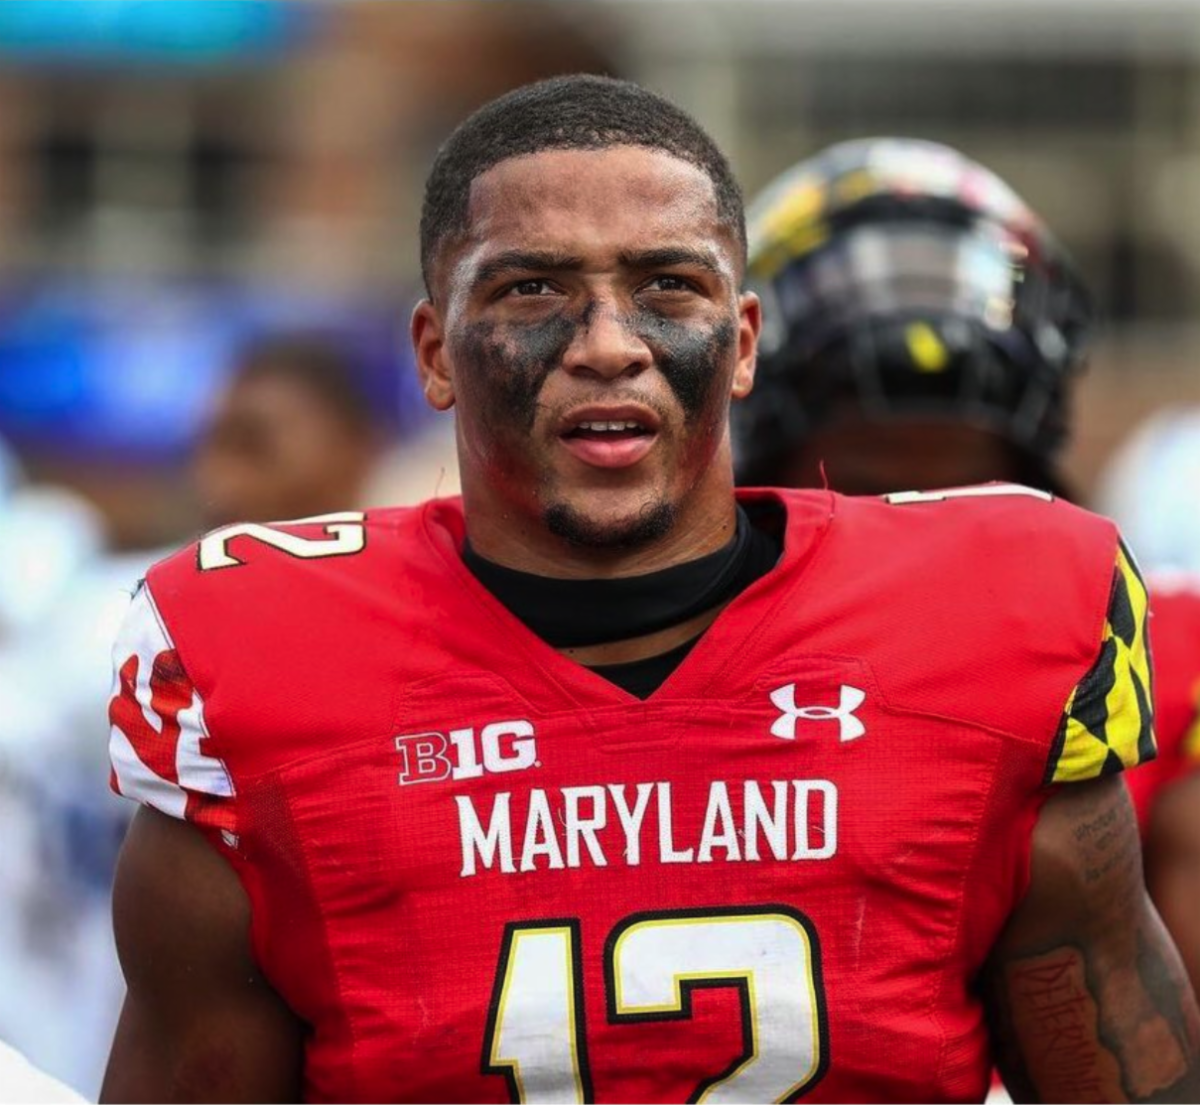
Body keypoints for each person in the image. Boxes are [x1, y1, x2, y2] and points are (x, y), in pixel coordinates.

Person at [101, 77, 1199, 1103]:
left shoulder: (992, 630)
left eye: (668, 285)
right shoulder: (259, 673)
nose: (608, 344)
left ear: (744, 344)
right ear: (433, 353)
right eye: (532, 288)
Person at [734, 136, 1200, 1001]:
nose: (923, 536)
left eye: (966, 492)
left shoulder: (1169, 646)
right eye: (866, 492)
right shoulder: (679, 643)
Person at [193, 334, 384, 530]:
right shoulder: (186, 550)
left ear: (353, 446)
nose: (223, 483)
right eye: (213, 446)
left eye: (254, 446)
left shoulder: (398, 541)